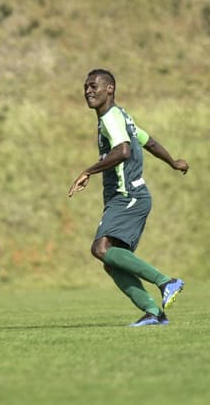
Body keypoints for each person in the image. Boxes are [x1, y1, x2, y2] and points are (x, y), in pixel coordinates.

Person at [68, 69, 189, 327]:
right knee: (112, 261)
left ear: (109, 88)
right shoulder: (122, 117)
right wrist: (173, 162)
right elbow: (150, 142)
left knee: (100, 248)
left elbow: (123, 151)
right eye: (85, 87)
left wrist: (88, 171)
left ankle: (166, 281)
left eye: (93, 86)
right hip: (127, 198)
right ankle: (153, 313)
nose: (88, 91)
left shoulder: (111, 118)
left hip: (128, 196)